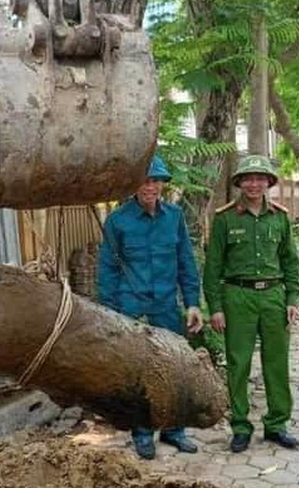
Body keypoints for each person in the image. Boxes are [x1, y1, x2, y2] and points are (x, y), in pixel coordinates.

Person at [97, 154, 203, 460]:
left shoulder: (175, 217)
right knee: (140, 374)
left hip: (167, 308)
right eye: (145, 180)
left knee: (175, 368)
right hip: (132, 310)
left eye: (156, 180)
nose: (151, 186)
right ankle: (142, 432)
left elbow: (186, 263)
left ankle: (174, 430)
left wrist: (193, 303)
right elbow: (107, 270)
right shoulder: (118, 221)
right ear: (134, 185)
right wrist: (109, 312)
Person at [203, 155, 299, 454]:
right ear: (239, 183)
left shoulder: (281, 217)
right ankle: (241, 426)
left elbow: (290, 261)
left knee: (277, 362)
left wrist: (292, 298)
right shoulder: (225, 218)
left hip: (273, 296)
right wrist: (216, 307)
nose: (254, 184)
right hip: (238, 296)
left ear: (269, 182)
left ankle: (276, 424)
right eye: (248, 178)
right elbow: (213, 268)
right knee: (238, 363)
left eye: (260, 178)